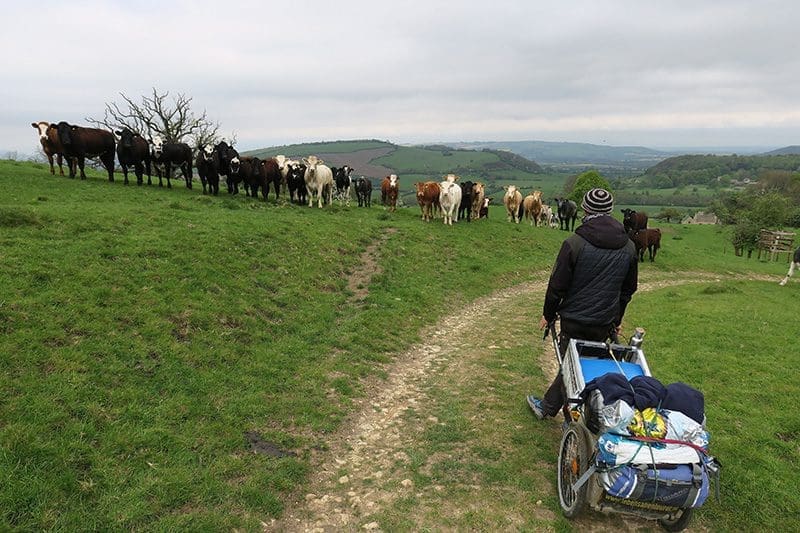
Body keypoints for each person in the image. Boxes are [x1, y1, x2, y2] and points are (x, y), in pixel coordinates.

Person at [527, 188, 638, 420]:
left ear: (585, 209)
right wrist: (616, 319)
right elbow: (627, 290)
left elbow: (557, 285)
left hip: (574, 319)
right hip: (604, 321)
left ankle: (551, 408)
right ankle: (590, 407)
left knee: (570, 365)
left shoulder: (575, 242)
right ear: (610, 210)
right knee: (589, 362)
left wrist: (548, 314)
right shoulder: (628, 246)